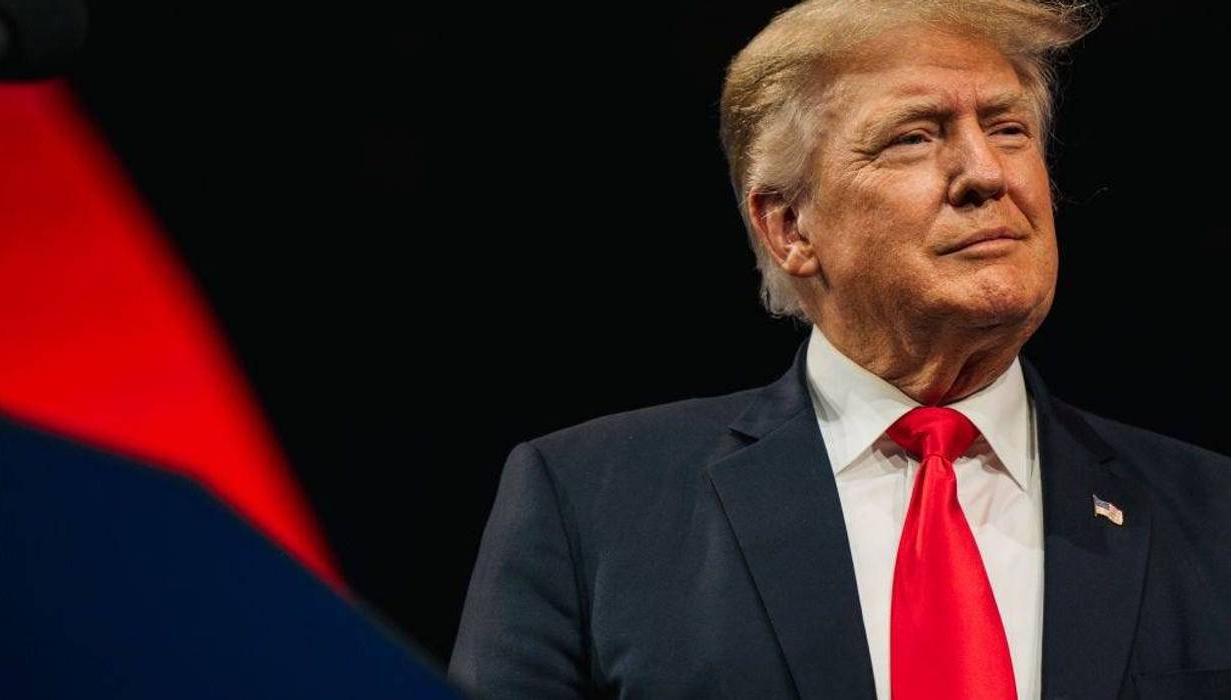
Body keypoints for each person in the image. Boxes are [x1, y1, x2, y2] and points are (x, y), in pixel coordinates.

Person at [448, 1, 1231, 698]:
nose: (985, 174)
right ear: (789, 227)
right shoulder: (588, 503)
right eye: (913, 137)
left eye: (1007, 128)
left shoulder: (1212, 513)